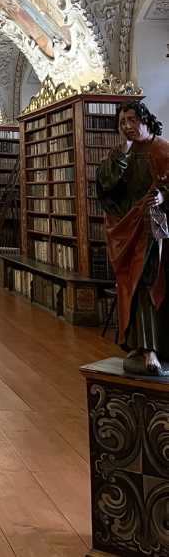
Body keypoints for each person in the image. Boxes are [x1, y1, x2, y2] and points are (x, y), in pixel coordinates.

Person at [98, 100, 169, 374]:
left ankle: (153, 349)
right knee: (131, 285)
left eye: (132, 120)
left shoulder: (163, 150)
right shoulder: (121, 153)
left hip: (154, 231)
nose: (127, 126)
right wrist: (123, 150)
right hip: (128, 229)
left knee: (149, 283)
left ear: (146, 120)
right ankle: (138, 345)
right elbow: (106, 182)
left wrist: (163, 195)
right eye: (122, 122)